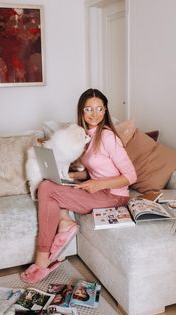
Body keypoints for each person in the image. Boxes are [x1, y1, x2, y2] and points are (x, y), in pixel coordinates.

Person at [21, 88, 137, 283]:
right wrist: (72, 176)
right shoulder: (84, 136)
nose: (95, 114)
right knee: (49, 182)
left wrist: (99, 184)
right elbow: (95, 170)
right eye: (89, 109)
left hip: (114, 196)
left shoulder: (108, 137)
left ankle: (42, 260)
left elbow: (131, 176)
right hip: (98, 190)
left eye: (100, 109)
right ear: (82, 112)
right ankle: (65, 222)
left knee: (46, 188)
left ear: (105, 110)